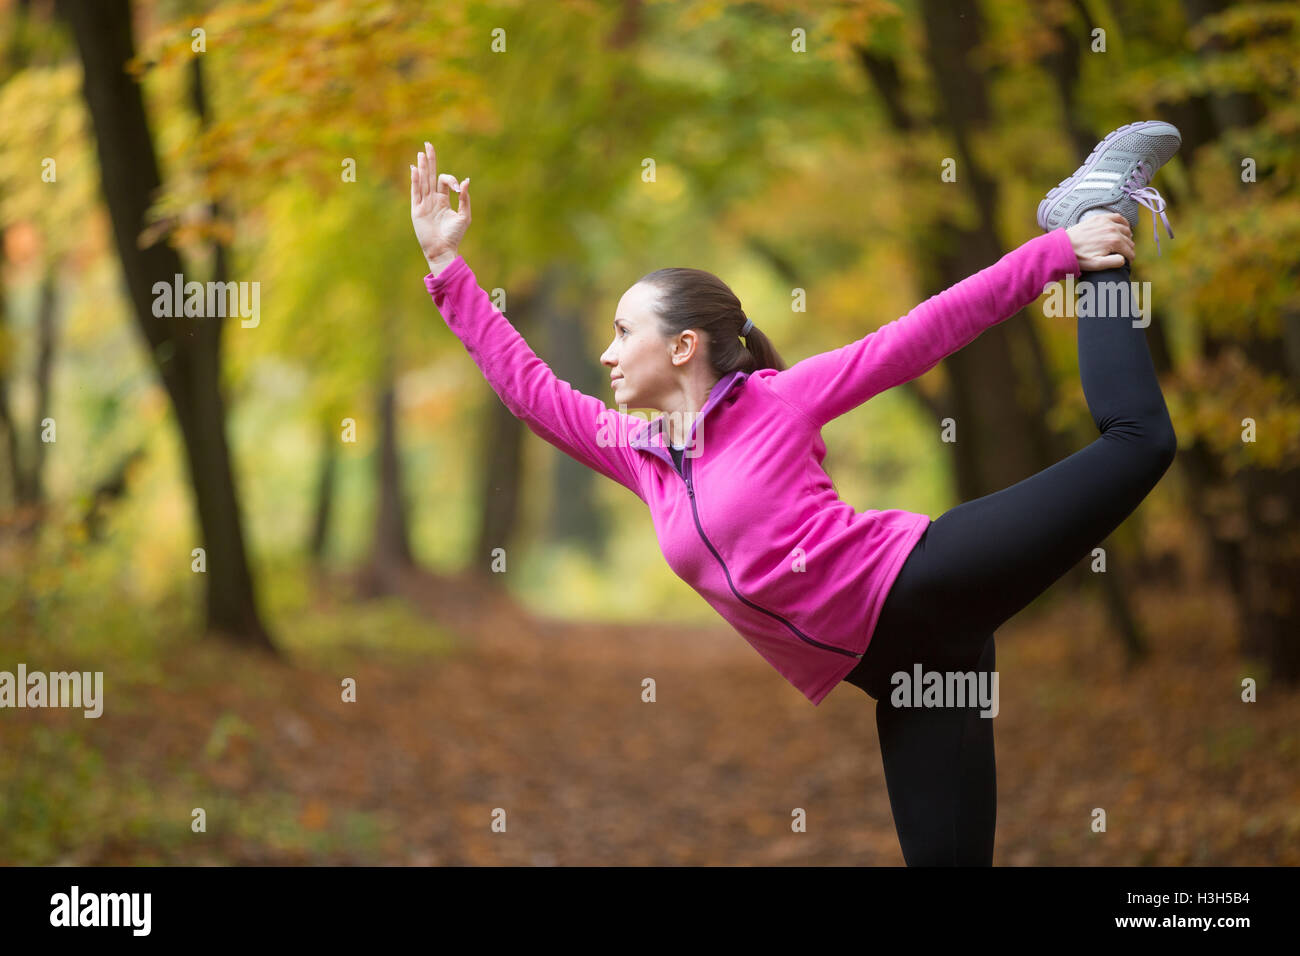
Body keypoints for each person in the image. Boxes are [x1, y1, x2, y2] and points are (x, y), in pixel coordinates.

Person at [409, 119, 1181, 866]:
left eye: (622, 332)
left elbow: (922, 334)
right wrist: (449, 268)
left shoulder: (777, 402)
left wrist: (1055, 254)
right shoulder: (639, 456)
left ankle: (1094, 225)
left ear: (682, 346)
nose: (606, 355)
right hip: (907, 678)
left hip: (926, 583)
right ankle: (1091, 229)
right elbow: (530, 391)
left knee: (1140, 443)